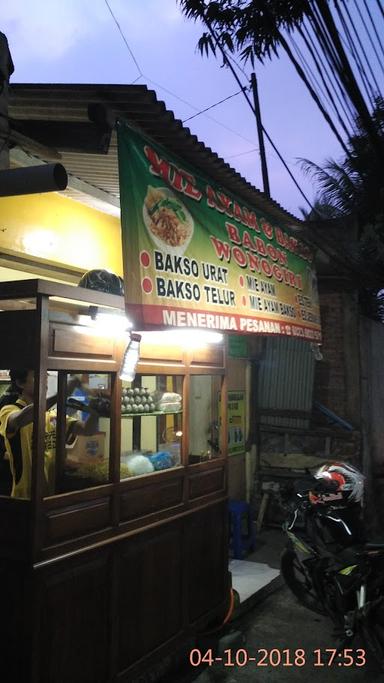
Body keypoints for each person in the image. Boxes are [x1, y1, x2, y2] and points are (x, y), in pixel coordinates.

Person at [0, 369, 100, 499]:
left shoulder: (52, 415)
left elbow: (87, 430)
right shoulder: (9, 410)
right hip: (25, 497)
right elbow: (20, 419)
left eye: (45, 375)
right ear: (20, 383)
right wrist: (60, 395)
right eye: (37, 376)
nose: (45, 379)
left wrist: (95, 410)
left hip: (53, 496)